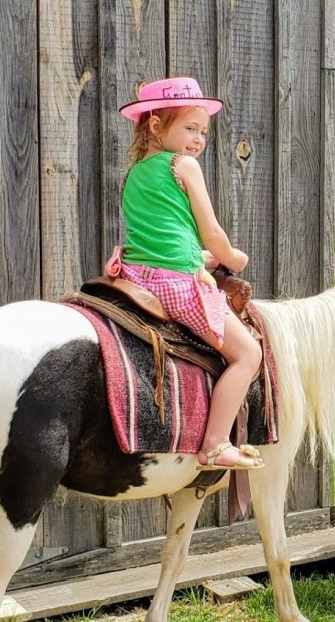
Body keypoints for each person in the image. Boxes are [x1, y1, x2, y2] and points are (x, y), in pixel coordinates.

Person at [117, 76, 263, 471]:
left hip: (138, 276)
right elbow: (210, 230)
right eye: (189, 128)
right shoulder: (184, 165)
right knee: (249, 353)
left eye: (203, 132)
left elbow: (161, 235)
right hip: (175, 284)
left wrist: (200, 259)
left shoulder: (134, 174)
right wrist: (230, 256)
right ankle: (215, 444)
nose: (198, 140)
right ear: (155, 125)